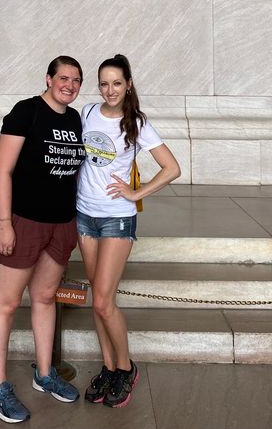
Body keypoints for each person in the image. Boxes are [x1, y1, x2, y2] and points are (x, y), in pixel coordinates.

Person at [0, 55, 86, 423]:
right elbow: (3, 171)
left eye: (76, 80)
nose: (69, 85)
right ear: (48, 78)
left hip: (61, 224)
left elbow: (73, 173)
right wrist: (6, 222)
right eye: (63, 78)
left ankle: (44, 374)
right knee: (6, 304)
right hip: (24, 220)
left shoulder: (75, 119)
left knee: (44, 298)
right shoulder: (25, 112)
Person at [77, 54, 180, 408]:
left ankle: (125, 368)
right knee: (98, 297)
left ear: (128, 84)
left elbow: (172, 168)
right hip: (83, 215)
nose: (110, 90)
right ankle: (108, 368)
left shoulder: (136, 122)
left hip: (116, 218)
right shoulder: (87, 113)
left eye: (117, 83)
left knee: (105, 300)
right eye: (104, 83)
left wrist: (135, 192)